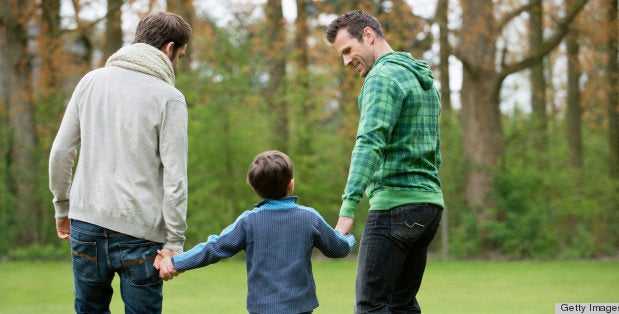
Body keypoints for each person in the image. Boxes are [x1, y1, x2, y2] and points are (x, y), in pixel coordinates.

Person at [48, 11, 192, 313]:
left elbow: (61, 151)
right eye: (179, 56)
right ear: (168, 49)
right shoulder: (169, 98)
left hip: (85, 224)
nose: (177, 64)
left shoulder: (90, 82)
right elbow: (175, 178)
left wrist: (63, 207)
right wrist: (174, 242)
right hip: (140, 233)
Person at [325, 10, 444, 313]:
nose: (346, 61)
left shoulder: (382, 77)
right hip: (428, 206)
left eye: (348, 50)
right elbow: (435, 149)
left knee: (371, 305)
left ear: (368, 35)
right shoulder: (424, 80)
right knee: (402, 303)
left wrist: (348, 208)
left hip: (395, 207)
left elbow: (369, 143)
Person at [155, 150, 356, 314]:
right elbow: (337, 249)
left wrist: (174, 262)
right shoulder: (309, 217)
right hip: (300, 308)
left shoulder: (248, 222)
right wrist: (348, 239)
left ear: (255, 188)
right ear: (291, 184)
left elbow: (214, 248)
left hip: (262, 309)